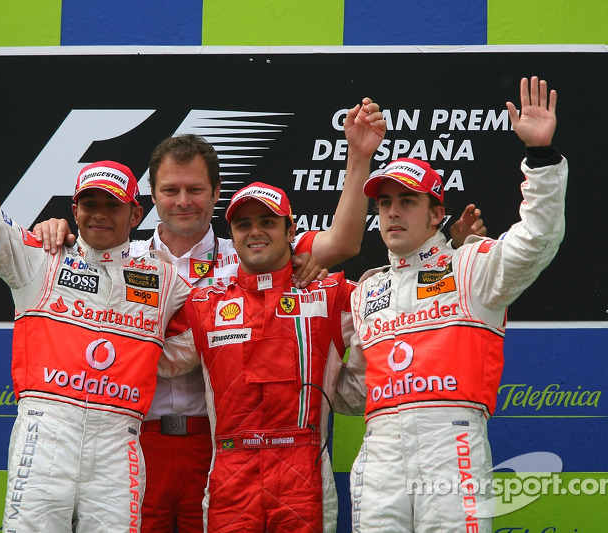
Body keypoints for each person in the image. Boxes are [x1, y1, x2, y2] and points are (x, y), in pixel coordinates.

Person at [33, 96, 392, 533]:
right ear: (151, 196)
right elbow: (75, 291)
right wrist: (54, 232)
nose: (183, 201)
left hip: (216, 442)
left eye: (195, 189)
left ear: (216, 194)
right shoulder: (124, 256)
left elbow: (342, 242)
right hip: (135, 438)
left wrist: (358, 158)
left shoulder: (246, 254)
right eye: (170, 190)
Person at [0, 63, 192, 532]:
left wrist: (292, 270)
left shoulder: (165, 279)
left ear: (135, 213)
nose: (98, 214)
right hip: (45, 431)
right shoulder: (41, 258)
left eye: (111, 205)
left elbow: (213, 330)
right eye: (89, 203)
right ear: (73, 208)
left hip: (119, 442)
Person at [341, 76, 566, 533]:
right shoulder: (366, 290)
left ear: (436, 214)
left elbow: (537, 239)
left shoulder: (471, 267)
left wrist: (540, 157)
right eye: (385, 204)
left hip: (452, 445)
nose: (393, 213)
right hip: (380, 450)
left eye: (407, 201)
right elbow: (353, 391)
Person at [159, 182, 362, 532]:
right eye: (244, 224)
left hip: (304, 468)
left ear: (291, 229)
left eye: (267, 222)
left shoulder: (331, 294)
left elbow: (391, 320)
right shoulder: (204, 304)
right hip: (231, 470)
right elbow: (153, 355)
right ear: (232, 235)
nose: (255, 232)